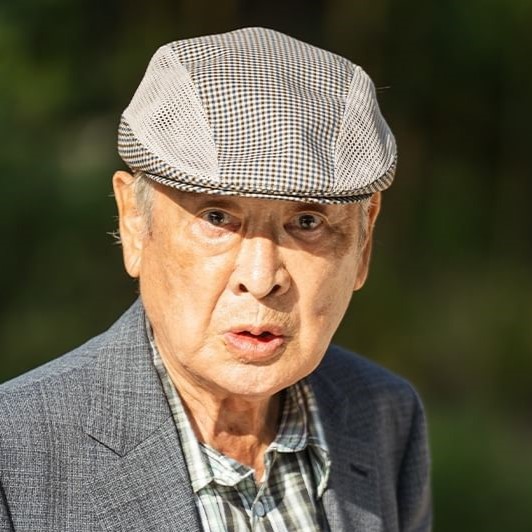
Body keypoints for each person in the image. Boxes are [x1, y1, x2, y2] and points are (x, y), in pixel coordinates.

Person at [0, 27, 431, 531]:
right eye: (217, 218)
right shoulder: (14, 454)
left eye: (307, 222)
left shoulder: (385, 415)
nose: (261, 278)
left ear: (364, 242)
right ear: (134, 222)